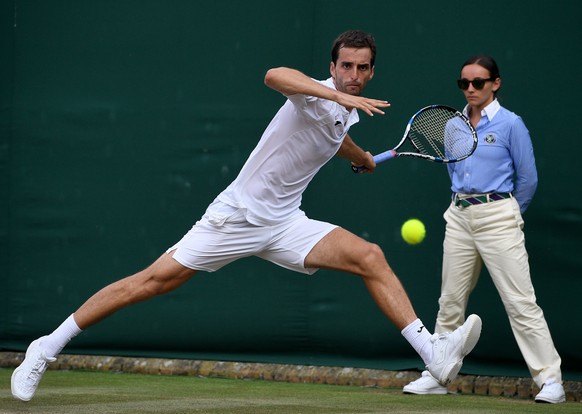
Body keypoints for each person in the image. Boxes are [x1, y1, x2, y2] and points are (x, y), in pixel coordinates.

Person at [11, 30, 482, 402]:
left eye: (362, 69)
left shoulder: (346, 115)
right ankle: (46, 346)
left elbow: (335, 139)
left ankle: (433, 354)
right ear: (332, 66)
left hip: (286, 223)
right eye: (345, 67)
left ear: (372, 71)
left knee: (370, 256)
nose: (353, 76)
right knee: (152, 282)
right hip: (237, 216)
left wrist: (360, 156)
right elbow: (274, 75)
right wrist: (338, 98)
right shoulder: (317, 93)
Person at [402, 55, 564, 404]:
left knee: (521, 303)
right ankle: (438, 374)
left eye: (478, 82)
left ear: (496, 83)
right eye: (464, 83)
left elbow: (528, 179)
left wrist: (507, 214)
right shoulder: (453, 125)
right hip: (458, 216)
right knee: (450, 301)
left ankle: (551, 381)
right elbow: (454, 171)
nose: (471, 89)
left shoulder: (511, 124)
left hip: (499, 216)